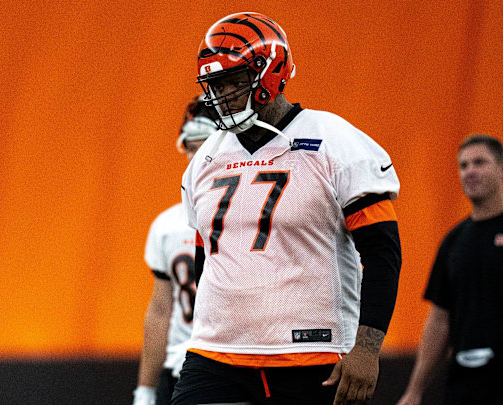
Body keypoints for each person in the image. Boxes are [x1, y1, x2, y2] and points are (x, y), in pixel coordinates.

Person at [171, 12, 402, 405]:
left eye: (232, 81)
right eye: (215, 84)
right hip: (215, 353)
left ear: (269, 73)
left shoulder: (334, 141)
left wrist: (367, 347)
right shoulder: (205, 159)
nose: (221, 94)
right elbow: (205, 258)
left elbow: (382, 253)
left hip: (311, 353)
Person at [396, 134, 503, 405]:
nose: (470, 171)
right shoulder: (454, 241)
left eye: (480, 162)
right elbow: (439, 318)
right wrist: (415, 390)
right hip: (465, 383)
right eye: (463, 165)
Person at [133, 95, 219, 405]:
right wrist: (145, 388)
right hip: (182, 369)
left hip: (236, 364)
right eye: (192, 148)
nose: (197, 159)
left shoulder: (249, 215)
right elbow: (160, 309)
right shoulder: (167, 225)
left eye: (206, 146)